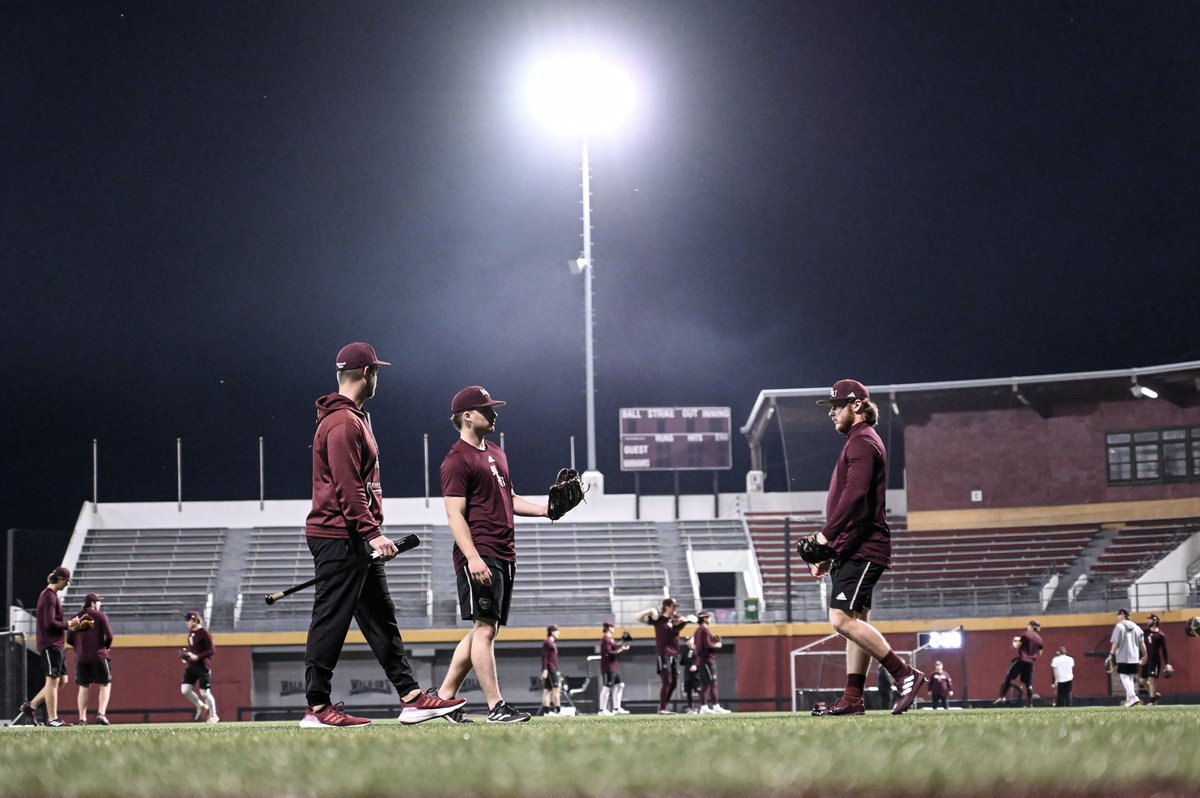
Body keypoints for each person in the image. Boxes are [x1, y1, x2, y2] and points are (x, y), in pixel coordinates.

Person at [302, 342, 464, 729]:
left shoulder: (352, 419)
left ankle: (411, 698)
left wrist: (368, 533)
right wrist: (372, 533)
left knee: (380, 618)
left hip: (351, 536)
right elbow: (347, 486)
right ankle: (318, 708)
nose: (377, 379)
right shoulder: (343, 423)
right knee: (331, 619)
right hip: (340, 536)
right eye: (376, 372)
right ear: (366, 374)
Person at [433, 385, 554, 725]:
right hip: (481, 550)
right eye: (487, 409)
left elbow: (510, 498)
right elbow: (455, 514)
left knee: (484, 629)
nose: (495, 413)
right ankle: (495, 706)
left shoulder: (497, 452)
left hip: (504, 550)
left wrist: (546, 510)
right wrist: (472, 557)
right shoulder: (456, 460)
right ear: (467, 416)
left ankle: (443, 698)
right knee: (484, 628)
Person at [807, 379, 926, 716]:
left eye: (837, 406)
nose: (831, 413)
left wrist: (825, 538)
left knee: (841, 620)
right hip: (853, 546)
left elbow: (855, 496)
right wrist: (831, 554)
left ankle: (905, 674)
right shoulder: (859, 441)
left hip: (862, 546)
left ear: (856, 405)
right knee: (856, 622)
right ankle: (853, 698)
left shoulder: (862, 442)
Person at [18, 566, 83, 727]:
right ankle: (52, 719)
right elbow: (49, 623)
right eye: (66, 581)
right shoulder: (48, 597)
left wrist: (70, 625)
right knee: (52, 681)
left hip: (57, 644)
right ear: (60, 579)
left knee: (62, 680)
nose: (67, 584)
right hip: (50, 644)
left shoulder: (52, 596)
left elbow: (54, 621)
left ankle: (31, 706)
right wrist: (69, 623)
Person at [636, 597, 692, 714]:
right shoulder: (659, 619)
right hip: (664, 653)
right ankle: (663, 708)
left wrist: (686, 620)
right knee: (667, 681)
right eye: (673, 606)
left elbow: (680, 623)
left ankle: (664, 706)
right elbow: (637, 618)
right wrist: (650, 610)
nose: (675, 609)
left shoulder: (675, 619)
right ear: (666, 606)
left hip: (674, 653)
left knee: (674, 682)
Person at [68, 593, 114, 725]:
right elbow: (109, 636)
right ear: (93, 603)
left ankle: (82, 719)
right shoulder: (100, 616)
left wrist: (80, 649)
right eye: (98, 602)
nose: (100, 604)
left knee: (83, 687)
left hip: (82, 658)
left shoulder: (76, 617)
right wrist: (106, 647)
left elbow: (69, 639)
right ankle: (101, 714)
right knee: (105, 684)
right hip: (99, 656)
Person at [994, 620, 1043, 708]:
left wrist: (1014, 640)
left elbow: (1016, 646)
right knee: (1029, 684)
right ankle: (1030, 704)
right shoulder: (1039, 639)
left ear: (1031, 626)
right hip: (1030, 663)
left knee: (1009, 676)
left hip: (1022, 660)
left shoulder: (1026, 634)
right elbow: (1040, 653)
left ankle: (1002, 697)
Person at [181, 610, 219, 723]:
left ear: (195, 620)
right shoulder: (191, 633)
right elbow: (193, 649)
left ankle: (214, 715)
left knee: (205, 693)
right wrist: (187, 656)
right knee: (185, 690)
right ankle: (201, 706)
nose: (187, 622)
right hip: (192, 666)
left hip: (203, 666)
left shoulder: (204, 633)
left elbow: (211, 650)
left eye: (189, 620)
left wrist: (198, 657)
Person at [1107, 608, 1147, 707]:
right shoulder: (1137, 628)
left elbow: (1116, 642)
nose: (1118, 617)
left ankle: (1133, 697)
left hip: (1123, 655)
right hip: (1134, 656)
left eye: (1119, 615)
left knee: (1124, 676)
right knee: (1130, 678)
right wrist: (1145, 655)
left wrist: (1111, 654)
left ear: (1122, 615)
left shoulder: (1119, 626)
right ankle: (1129, 701)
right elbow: (1142, 644)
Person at [693, 611, 730, 714]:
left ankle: (704, 707)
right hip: (707, 660)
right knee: (713, 683)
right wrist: (717, 644)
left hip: (702, 660)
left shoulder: (697, 631)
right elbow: (707, 645)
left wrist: (713, 639)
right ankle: (716, 706)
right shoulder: (704, 630)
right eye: (709, 617)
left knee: (705, 685)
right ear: (705, 618)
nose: (710, 619)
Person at [598, 622, 630, 715]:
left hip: (614, 666)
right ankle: (602, 710)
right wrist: (620, 650)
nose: (614, 628)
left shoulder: (611, 639)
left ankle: (616, 708)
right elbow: (609, 652)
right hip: (608, 667)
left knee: (620, 685)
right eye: (612, 627)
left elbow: (615, 645)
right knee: (607, 687)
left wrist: (622, 642)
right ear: (608, 628)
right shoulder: (605, 639)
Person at [1141, 613, 1173, 705]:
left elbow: (1164, 650)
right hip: (1146, 660)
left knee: (1152, 680)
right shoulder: (1144, 632)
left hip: (1155, 661)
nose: (1147, 621)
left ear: (1155, 620)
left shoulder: (1160, 635)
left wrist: (1167, 663)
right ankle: (1155, 695)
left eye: (1149, 619)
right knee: (1143, 681)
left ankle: (1152, 701)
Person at [540, 624, 562, 716]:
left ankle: (547, 712)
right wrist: (545, 669)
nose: (559, 632)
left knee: (548, 689)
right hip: (550, 667)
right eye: (557, 631)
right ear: (552, 632)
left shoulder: (552, 643)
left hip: (553, 668)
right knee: (556, 689)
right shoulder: (548, 643)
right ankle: (557, 710)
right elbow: (544, 657)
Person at [679, 635, 701, 713]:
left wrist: (696, 665)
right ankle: (692, 708)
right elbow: (682, 662)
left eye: (689, 640)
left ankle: (704, 706)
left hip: (697, 674)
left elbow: (701, 658)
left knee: (699, 690)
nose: (687, 642)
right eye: (686, 641)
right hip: (688, 674)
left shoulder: (698, 649)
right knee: (688, 691)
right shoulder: (685, 650)